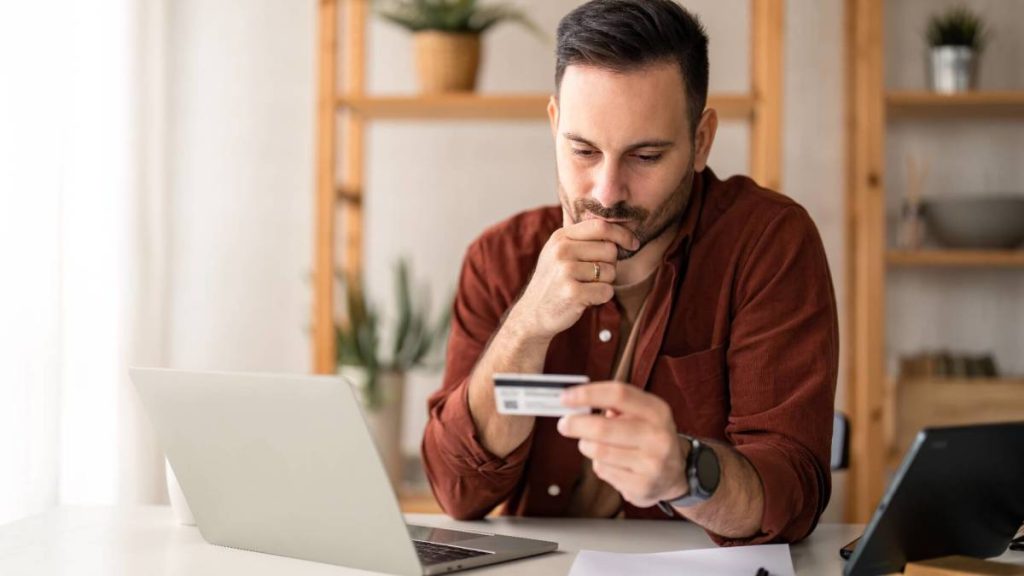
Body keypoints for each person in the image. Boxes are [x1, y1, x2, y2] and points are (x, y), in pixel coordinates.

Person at [421, 0, 838, 545]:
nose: (606, 193)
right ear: (554, 125)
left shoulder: (768, 244)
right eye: (583, 150)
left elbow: (794, 495)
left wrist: (686, 474)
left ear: (701, 141)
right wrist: (525, 325)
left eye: (645, 156)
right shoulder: (500, 258)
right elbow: (457, 490)